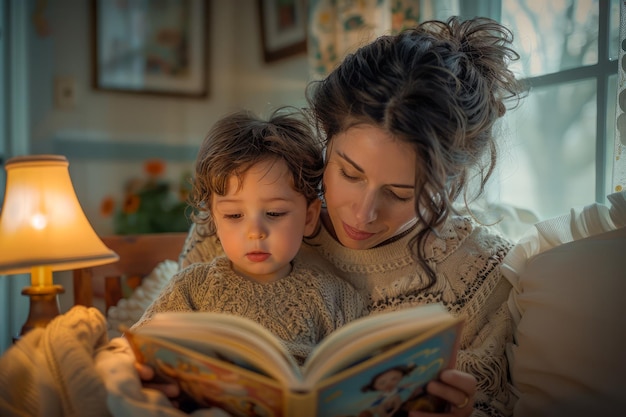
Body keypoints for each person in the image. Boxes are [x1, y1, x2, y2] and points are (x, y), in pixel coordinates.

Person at [177, 16, 526, 417]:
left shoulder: (483, 275)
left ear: (449, 183)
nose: (363, 214)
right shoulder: (239, 212)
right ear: (327, 136)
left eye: (400, 193)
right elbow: (159, 340)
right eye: (348, 173)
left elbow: (493, 405)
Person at [131, 108, 366, 366]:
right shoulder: (191, 288)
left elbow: (359, 369)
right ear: (214, 222)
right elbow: (142, 344)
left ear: (309, 218)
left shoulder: (333, 296)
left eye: (274, 213)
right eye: (233, 215)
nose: (256, 231)